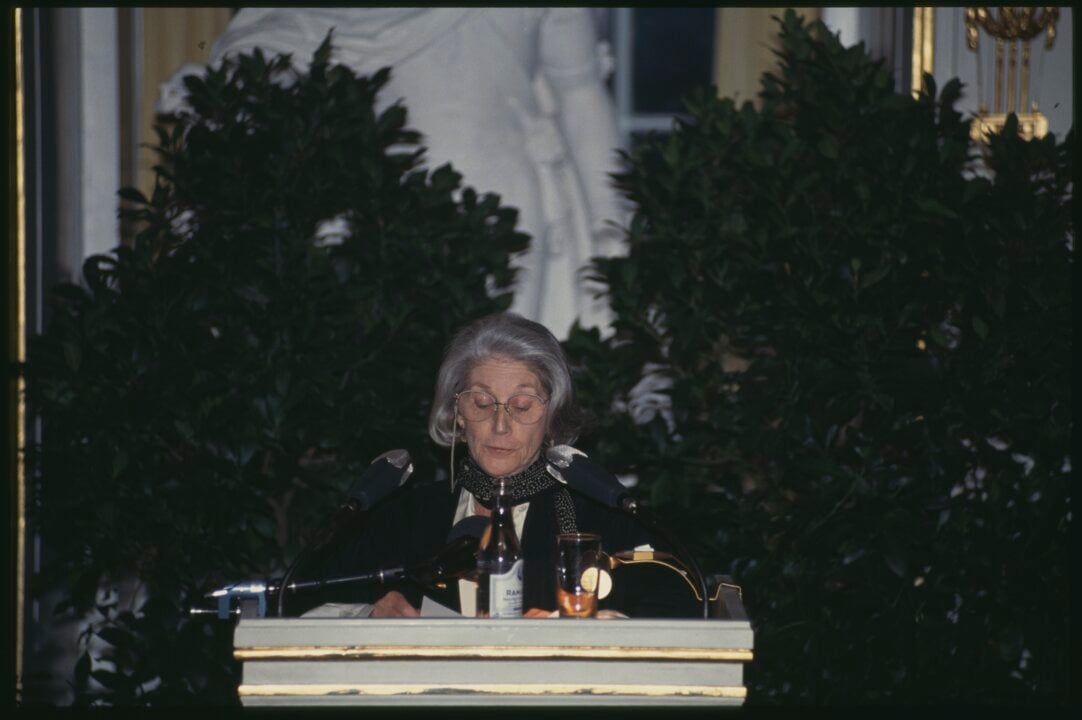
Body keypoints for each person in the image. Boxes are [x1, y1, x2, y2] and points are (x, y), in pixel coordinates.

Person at [159, 8, 629, 340]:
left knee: (504, 392)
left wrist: (613, 239)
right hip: (354, 208)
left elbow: (580, 92)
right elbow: (263, 56)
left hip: (497, 199)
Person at [291, 312, 700, 618]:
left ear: (552, 419)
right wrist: (368, 615)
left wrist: (585, 626)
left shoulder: (601, 519)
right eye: (482, 403)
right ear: (458, 413)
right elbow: (298, 600)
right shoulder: (403, 515)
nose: (500, 425)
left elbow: (681, 608)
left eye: (522, 406)